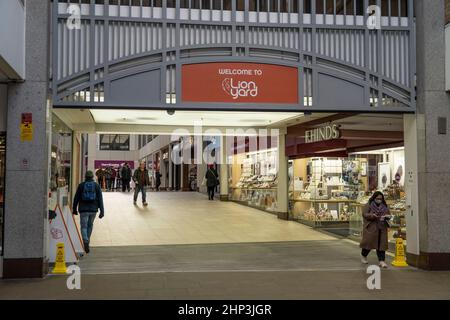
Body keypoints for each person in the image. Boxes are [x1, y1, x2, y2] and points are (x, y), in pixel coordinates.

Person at [72, 170, 104, 254]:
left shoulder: (81, 185)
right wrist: (102, 211)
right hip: (93, 210)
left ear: (85, 177)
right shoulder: (96, 186)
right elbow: (100, 199)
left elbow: (76, 198)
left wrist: (74, 209)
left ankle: (85, 240)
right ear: (92, 177)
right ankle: (87, 241)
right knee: (90, 225)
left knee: (83, 227)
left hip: (83, 210)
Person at [360, 191, 391, 268]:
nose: (379, 200)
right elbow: (364, 214)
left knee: (381, 245)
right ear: (374, 198)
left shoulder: (384, 206)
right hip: (372, 227)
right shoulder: (369, 205)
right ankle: (364, 256)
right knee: (369, 244)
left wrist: (387, 216)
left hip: (382, 227)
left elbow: (388, 213)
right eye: (377, 198)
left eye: (380, 198)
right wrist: (372, 215)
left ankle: (381, 261)